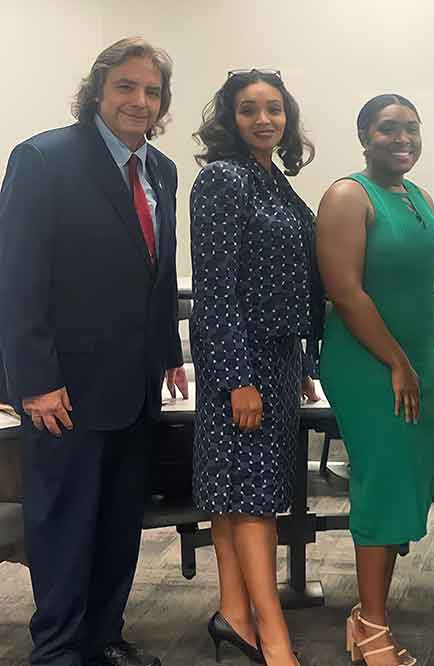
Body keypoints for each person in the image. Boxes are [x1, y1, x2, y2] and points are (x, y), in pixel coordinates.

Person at [0, 37, 187, 666]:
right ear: (98, 90)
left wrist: (169, 354)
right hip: (64, 390)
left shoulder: (161, 169)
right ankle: (56, 651)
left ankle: (104, 638)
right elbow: (18, 279)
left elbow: (158, 272)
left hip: (134, 385)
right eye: (126, 87)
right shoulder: (44, 159)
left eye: (152, 91)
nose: (140, 101)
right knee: (63, 525)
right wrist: (33, 380)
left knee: (117, 524)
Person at [316, 94, 434, 666]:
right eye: (387, 129)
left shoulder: (419, 197)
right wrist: (396, 362)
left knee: (403, 485)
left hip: (418, 365)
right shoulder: (348, 196)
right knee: (380, 485)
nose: (401, 138)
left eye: (411, 129)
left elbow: (424, 288)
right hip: (369, 366)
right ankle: (373, 627)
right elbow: (345, 291)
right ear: (364, 135)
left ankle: (366, 615)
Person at [189, 69, 322, 666]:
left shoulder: (276, 182)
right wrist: (237, 376)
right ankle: (274, 637)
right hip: (237, 359)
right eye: (249, 110)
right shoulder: (223, 179)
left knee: (237, 494)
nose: (264, 119)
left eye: (274, 109)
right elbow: (215, 290)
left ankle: (235, 615)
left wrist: (300, 363)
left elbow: (297, 282)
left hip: (277, 357)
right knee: (254, 499)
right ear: (230, 119)